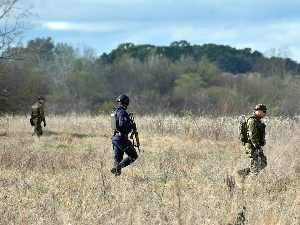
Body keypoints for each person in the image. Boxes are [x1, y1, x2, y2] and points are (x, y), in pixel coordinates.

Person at [110, 95, 138, 176]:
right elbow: (122, 124)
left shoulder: (116, 111)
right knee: (133, 155)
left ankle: (116, 177)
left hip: (115, 138)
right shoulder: (122, 112)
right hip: (121, 138)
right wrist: (131, 124)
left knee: (118, 158)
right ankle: (117, 168)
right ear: (126, 102)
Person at [238, 104, 267, 177]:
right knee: (255, 166)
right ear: (259, 111)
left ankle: (242, 174)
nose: (265, 113)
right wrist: (257, 147)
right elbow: (252, 136)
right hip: (252, 146)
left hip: (255, 145)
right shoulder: (252, 121)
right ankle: (250, 181)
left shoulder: (257, 121)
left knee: (263, 163)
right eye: (264, 111)